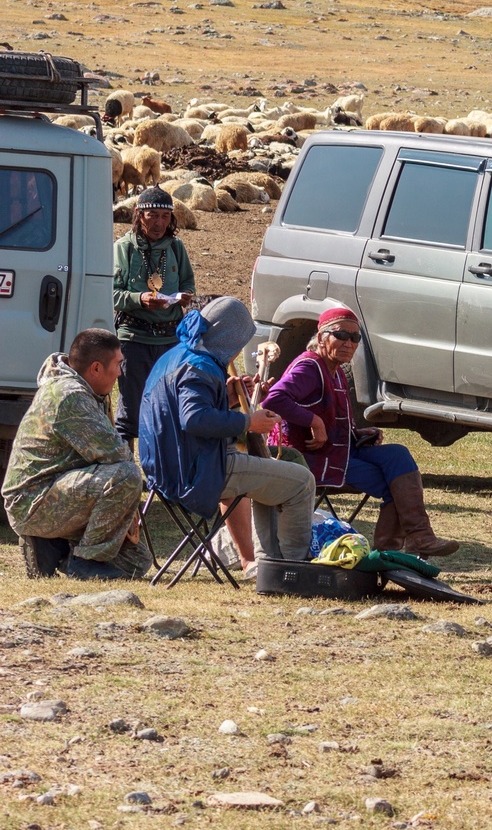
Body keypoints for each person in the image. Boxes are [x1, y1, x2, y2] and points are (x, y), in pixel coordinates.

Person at [263, 307, 461, 557]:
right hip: (313, 460)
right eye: (341, 335)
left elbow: (330, 416)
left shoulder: (335, 370)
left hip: (339, 452)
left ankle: (419, 537)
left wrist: (357, 432)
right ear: (322, 337)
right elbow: (273, 399)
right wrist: (314, 422)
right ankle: (392, 551)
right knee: (396, 487)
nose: (349, 343)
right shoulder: (310, 367)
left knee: (397, 455)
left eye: (355, 338)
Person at [139, 297, 315, 563]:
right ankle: (291, 567)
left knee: (269, 473)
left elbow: (182, 414)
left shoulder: (176, 356)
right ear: (229, 336)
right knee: (302, 482)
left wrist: (228, 398)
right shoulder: (201, 366)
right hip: (197, 471)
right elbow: (194, 419)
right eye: (240, 341)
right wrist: (249, 422)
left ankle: (268, 563)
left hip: (168, 467)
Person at [3, 330, 147, 580]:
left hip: (55, 488)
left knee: (137, 563)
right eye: (117, 365)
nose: (121, 373)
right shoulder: (71, 396)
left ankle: (53, 546)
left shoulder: (86, 391)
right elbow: (116, 454)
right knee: (126, 476)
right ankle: (84, 562)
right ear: (95, 369)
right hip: (32, 501)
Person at [112, 186, 195, 443]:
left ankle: (160, 479)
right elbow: (111, 293)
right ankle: (124, 474)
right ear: (138, 214)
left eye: (164, 216)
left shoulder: (176, 248)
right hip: (134, 340)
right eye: (152, 215)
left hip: (170, 342)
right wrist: (140, 299)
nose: (159, 223)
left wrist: (184, 297)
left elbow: (188, 284)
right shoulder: (124, 248)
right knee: (130, 416)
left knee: (165, 412)